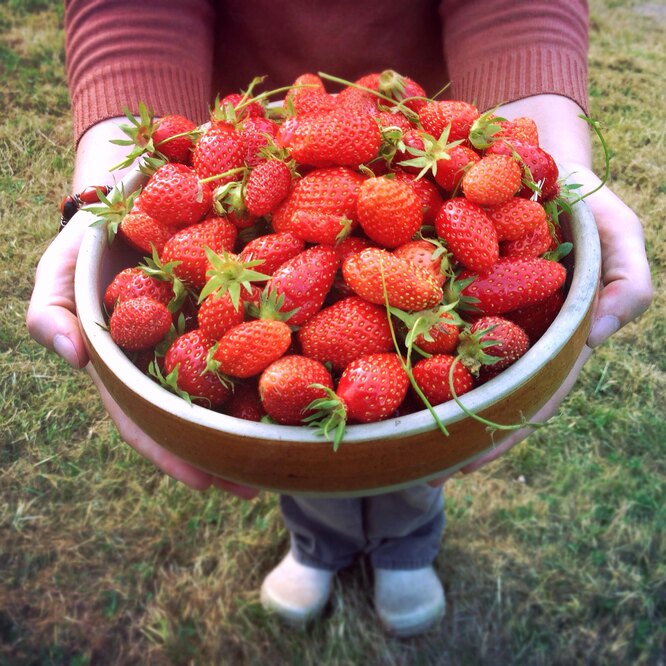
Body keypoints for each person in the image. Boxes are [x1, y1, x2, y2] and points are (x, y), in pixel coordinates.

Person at [27, 0, 652, 638]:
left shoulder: (424, 239)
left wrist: (538, 135)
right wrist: (108, 184)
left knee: (410, 438)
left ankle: (406, 546)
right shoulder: (266, 212)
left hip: (415, 135)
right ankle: (318, 543)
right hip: (262, 147)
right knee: (303, 438)